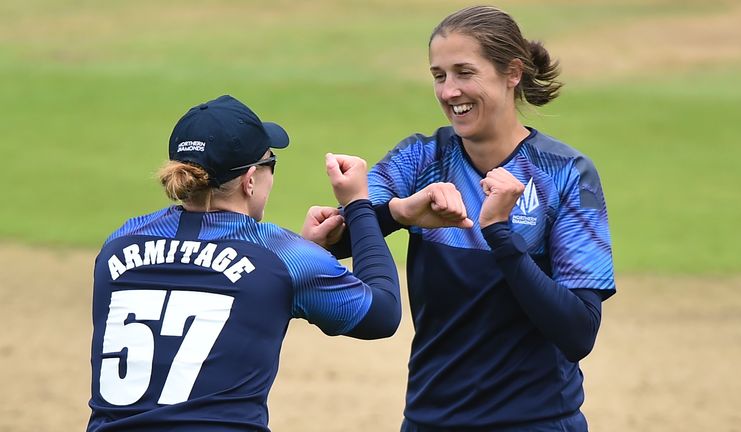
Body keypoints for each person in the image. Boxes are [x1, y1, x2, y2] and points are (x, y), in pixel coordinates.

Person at [303, 6, 616, 431]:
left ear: (512, 73)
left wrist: (499, 235)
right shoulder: (421, 159)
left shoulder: (564, 174)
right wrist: (400, 211)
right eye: (439, 76)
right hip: (430, 420)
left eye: (464, 73)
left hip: (536, 421)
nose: (450, 92)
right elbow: (341, 237)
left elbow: (579, 332)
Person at [86, 94, 401, 432]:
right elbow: (382, 314)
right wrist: (358, 204)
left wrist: (303, 251)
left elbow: (210, 278)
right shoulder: (280, 255)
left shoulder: (119, 243)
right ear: (250, 179)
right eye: (271, 163)